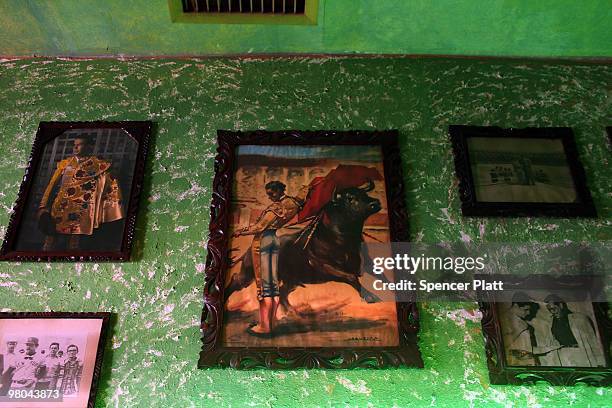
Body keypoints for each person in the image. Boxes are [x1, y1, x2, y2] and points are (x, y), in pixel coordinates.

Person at [232, 181, 306, 336]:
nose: (269, 196)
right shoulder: (292, 203)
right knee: (272, 284)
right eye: (268, 194)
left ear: (279, 190)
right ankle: (269, 324)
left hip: (264, 241)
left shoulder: (276, 207)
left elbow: (259, 227)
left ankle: (265, 327)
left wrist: (239, 232)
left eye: (272, 193)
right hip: (274, 239)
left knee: (264, 286)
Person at [37, 137, 124, 251]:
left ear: (88, 147)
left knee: (75, 242)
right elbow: (52, 185)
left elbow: (107, 182)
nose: (75, 147)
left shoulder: (97, 164)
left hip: (81, 207)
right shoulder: (65, 163)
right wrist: (43, 205)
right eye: (74, 144)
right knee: (50, 238)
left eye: (80, 144)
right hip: (61, 205)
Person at [536, 295, 606, 367]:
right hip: (563, 355)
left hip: (580, 353)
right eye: (550, 310)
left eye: (554, 308)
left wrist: (600, 361)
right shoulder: (551, 323)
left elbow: (592, 340)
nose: (552, 312)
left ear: (561, 305)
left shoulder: (580, 318)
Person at [504, 292, 541, 366]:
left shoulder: (522, 321)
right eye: (526, 309)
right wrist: (518, 331)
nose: (528, 313)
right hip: (514, 363)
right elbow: (501, 343)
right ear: (515, 306)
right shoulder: (503, 319)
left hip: (528, 362)